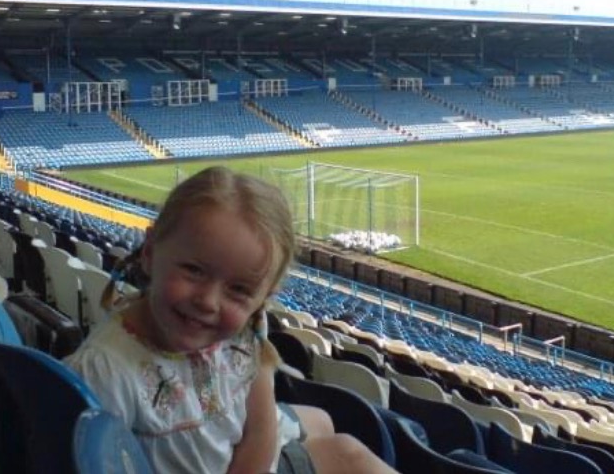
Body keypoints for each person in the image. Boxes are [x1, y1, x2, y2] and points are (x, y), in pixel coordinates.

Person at [66, 166, 396, 474]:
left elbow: (260, 431)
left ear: (261, 300)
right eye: (193, 270)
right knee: (348, 453)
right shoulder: (104, 372)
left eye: (238, 290)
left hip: (238, 447)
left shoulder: (245, 332)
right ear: (149, 252)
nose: (208, 301)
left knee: (323, 420)